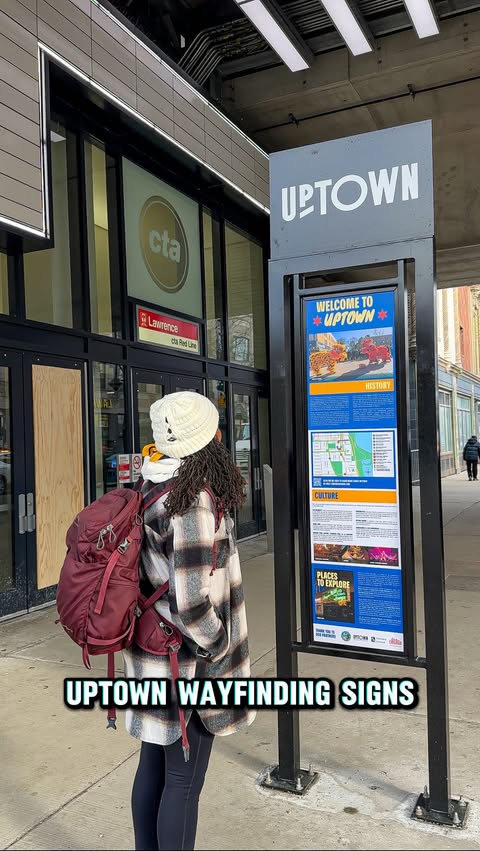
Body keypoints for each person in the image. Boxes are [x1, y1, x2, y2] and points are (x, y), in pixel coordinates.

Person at [123, 391, 255, 851]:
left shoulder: (151, 484)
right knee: (183, 782)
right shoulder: (193, 501)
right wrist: (219, 649)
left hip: (151, 657)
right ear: (209, 442)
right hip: (189, 666)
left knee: (154, 768)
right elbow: (194, 605)